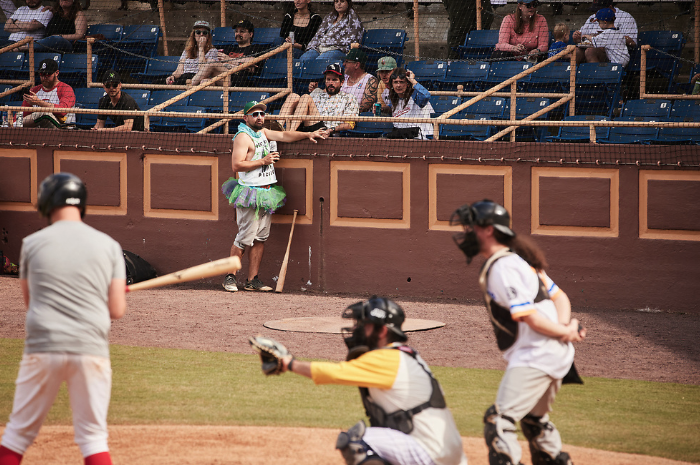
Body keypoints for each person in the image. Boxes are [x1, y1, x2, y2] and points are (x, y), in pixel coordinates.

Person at [0, 172, 127, 465]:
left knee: (16, 436)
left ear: (47, 204)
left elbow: (31, 303)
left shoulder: (32, 244)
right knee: (93, 438)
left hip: (43, 346)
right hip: (90, 348)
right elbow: (116, 310)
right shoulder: (108, 245)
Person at [450, 199, 586, 465]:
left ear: (488, 230)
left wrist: (563, 331)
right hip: (556, 354)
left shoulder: (502, 266)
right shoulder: (520, 260)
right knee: (534, 420)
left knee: (498, 421)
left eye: (472, 227)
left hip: (536, 355)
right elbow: (560, 299)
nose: (467, 233)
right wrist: (565, 329)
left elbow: (528, 317)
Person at [275, 296, 468, 465]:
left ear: (382, 331)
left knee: (357, 440)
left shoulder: (387, 358)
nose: (355, 329)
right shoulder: (403, 355)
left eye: (363, 325)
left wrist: (289, 364)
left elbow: (334, 373)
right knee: (380, 435)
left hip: (431, 453)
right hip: (445, 453)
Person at [221, 101, 327, 292]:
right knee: (244, 238)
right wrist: (264, 160)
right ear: (245, 118)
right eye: (255, 114)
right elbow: (237, 165)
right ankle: (230, 277)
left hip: (266, 192)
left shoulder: (263, 132)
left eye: (262, 113)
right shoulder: (243, 137)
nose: (260, 117)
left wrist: (308, 134)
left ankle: (252, 280)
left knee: (261, 237)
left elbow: (285, 135)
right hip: (250, 193)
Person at [278, 63, 359, 134]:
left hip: (324, 130)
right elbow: (303, 108)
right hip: (305, 125)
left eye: (334, 80)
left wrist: (331, 130)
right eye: (328, 79)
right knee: (293, 96)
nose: (331, 83)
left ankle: (290, 133)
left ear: (342, 82)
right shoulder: (317, 92)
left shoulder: (349, 98)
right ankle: (277, 129)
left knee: (306, 97)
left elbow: (350, 124)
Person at [192, 19, 266, 87]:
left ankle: (188, 87)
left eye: (242, 31)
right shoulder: (229, 48)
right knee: (205, 81)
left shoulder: (257, 48)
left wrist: (229, 60)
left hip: (241, 79)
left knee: (211, 62)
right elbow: (221, 64)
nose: (238, 34)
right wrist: (241, 65)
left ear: (250, 34)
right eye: (236, 31)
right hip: (224, 77)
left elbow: (252, 62)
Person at [299, 0, 364, 64]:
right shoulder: (329, 17)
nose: (339, 4)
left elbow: (353, 39)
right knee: (305, 59)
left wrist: (330, 42)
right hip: (320, 47)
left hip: (338, 49)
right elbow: (318, 35)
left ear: (348, 3)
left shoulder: (353, 19)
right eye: (336, 1)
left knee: (319, 62)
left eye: (342, 1)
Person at [21, 58, 75, 128]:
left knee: (44, 113)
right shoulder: (34, 90)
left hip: (63, 129)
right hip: (39, 133)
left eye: (48, 74)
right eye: (42, 74)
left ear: (56, 73)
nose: (44, 77)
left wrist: (38, 102)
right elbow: (23, 114)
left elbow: (62, 111)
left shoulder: (66, 89)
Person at [382, 68, 434, 140]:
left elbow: (426, 95)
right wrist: (382, 109)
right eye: (395, 82)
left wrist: (412, 80)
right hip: (401, 135)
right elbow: (392, 107)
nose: (398, 85)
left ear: (408, 84)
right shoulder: (394, 97)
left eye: (402, 82)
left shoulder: (416, 95)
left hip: (420, 136)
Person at [165, 21, 219, 86]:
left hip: (198, 79)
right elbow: (179, 70)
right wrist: (172, 76)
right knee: (158, 82)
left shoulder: (213, 51)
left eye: (205, 33)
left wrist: (201, 48)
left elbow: (202, 69)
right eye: (198, 32)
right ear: (194, 35)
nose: (201, 34)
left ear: (208, 36)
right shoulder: (187, 51)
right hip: (184, 77)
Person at [573, 0, 637, 49]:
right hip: (590, 49)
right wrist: (577, 37)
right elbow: (581, 38)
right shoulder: (592, 17)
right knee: (576, 52)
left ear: (609, 7)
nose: (596, 13)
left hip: (614, 51)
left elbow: (633, 43)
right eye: (594, 10)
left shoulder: (626, 17)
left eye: (598, 10)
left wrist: (608, 36)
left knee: (590, 52)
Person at [340, 48, 378, 113]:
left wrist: (345, 113)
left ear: (356, 65)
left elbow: (365, 106)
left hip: (356, 118)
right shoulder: (342, 78)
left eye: (347, 61)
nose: (344, 64)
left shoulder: (370, 80)